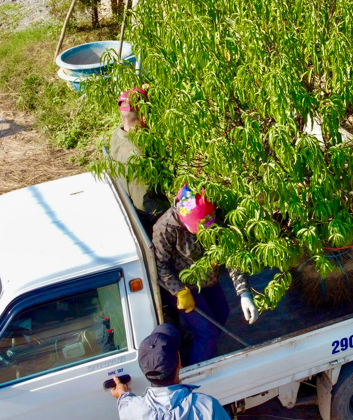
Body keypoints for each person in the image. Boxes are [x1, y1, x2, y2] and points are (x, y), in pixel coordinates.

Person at [152, 186, 259, 366]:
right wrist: (179, 291)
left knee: (221, 314)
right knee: (207, 332)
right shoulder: (165, 228)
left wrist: (244, 293)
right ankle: (195, 373)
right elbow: (160, 265)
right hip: (183, 287)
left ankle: (199, 348)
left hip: (208, 280)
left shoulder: (216, 216)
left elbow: (231, 255)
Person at [111, 323, 231, 420]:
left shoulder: (130, 410)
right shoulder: (207, 407)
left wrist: (122, 393)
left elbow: (126, 403)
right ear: (179, 362)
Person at [110, 88, 168, 230]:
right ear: (143, 117)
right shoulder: (140, 153)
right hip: (147, 217)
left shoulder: (116, 135)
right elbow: (143, 200)